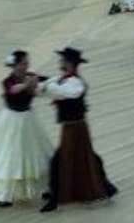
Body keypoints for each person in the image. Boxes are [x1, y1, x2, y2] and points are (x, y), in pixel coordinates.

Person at [37, 47, 117, 213]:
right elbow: (48, 86)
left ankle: (55, 198)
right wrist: (38, 82)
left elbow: (65, 93)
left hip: (76, 128)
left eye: (63, 61)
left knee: (62, 161)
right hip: (72, 127)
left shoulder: (75, 83)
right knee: (86, 158)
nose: (60, 64)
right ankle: (106, 187)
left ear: (70, 64)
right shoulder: (63, 79)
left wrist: (46, 85)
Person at [0, 50, 52, 208]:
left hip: (28, 119)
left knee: (36, 152)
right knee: (9, 155)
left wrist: (49, 82)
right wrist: (28, 84)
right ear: (15, 65)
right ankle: (2, 195)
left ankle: (46, 187)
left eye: (27, 63)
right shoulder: (8, 81)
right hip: (11, 121)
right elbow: (12, 90)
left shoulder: (30, 75)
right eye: (23, 63)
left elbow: (48, 81)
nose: (26, 65)